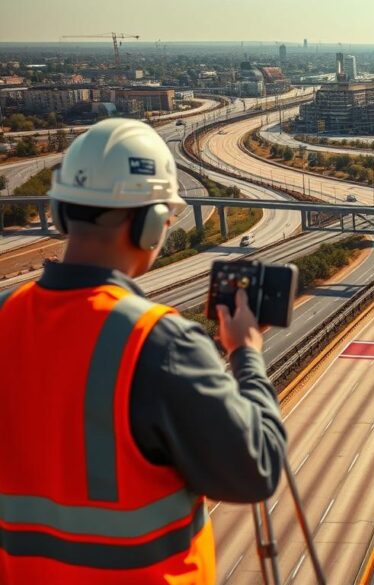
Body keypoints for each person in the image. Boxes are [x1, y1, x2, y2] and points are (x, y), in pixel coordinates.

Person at [0, 118, 287, 584]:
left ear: (58, 212)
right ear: (152, 224)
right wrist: (246, 353)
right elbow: (256, 468)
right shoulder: (156, 343)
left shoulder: (4, 317)